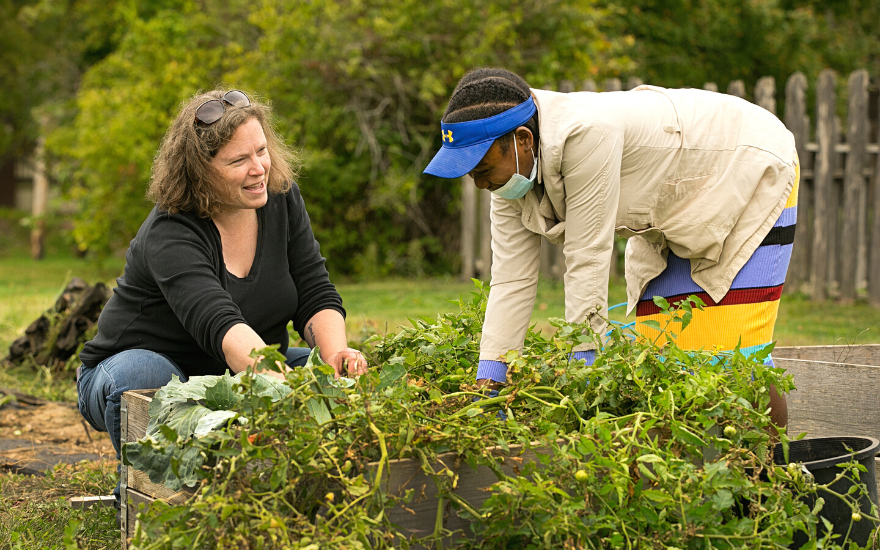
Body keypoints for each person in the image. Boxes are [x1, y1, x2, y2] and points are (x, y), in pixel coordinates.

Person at [424, 68, 797, 427]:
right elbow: (510, 280)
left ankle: (770, 478)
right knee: (665, 364)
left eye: (483, 170)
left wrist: (584, 370)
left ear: (522, 140)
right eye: (472, 174)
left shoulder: (586, 135)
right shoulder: (511, 176)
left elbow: (587, 258)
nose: (479, 184)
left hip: (747, 166)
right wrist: (490, 386)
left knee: (733, 361)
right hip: (674, 210)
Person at [77, 89, 367, 509]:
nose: (258, 169)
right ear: (199, 172)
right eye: (238, 161)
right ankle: (153, 498)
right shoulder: (171, 230)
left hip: (237, 371)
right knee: (145, 372)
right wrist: (280, 387)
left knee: (338, 374)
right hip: (141, 372)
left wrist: (336, 356)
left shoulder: (280, 200)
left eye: (262, 151)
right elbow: (219, 322)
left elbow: (314, 289)